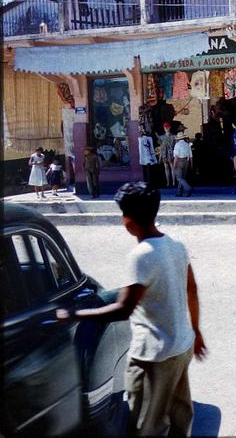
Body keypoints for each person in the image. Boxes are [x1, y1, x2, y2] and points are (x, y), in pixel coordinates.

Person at [57, 182, 207, 436]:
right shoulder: (176, 245)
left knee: (147, 424)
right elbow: (191, 289)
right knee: (179, 417)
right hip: (181, 346)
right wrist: (195, 330)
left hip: (153, 355)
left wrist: (73, 314)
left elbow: (122, 309)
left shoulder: (141, 255)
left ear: (128, 220)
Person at [172, 132, 193, 197]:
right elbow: (191, 155)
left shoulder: (177, 145)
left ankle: (188, 188)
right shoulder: (187, 144)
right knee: (182, 177)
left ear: (178, 139)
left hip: (179, 162)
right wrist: (191, 164)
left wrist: (174, 165)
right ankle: (179, 192)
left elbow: (176, 156)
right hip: (186, 161)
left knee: (179, 178)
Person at [159, 122, 176, 188]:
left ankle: (174, 182)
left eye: (167, 126)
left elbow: (175, 146)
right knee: (166, 168)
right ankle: (168, 182)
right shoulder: (161, 137)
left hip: (171, 153)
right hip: (164, 153)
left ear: (170, 127)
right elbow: (161, 147)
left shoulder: (174, 136)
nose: (166, 128)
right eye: (164, 127)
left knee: (172, 168)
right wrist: (160, 156)